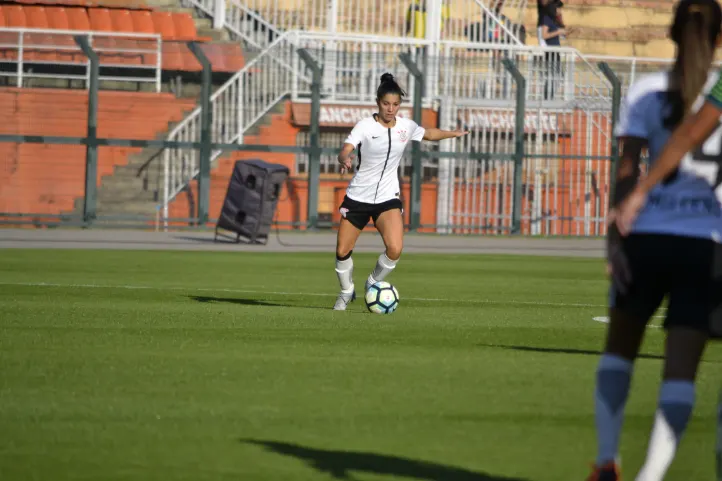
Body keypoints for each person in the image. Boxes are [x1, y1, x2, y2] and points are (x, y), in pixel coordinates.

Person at [588, 1, 722, 480]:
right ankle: (651, 475)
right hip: (707, 243)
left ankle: (606, 459)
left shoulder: (647, 91)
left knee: (619, 350)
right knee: (681, 369)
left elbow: (627, 170)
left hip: (646, 237)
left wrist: (613, 242)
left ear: (671, 32)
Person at [333, 73, 468, 310]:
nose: (390, 109)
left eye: (395, 104)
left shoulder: (406, 126)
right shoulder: (365, 126)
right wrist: (344, 159)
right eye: (386, 104)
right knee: (342, 251)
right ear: (378, 102)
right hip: (358, 197)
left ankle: (373, 283)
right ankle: (346, 292)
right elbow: (345, 150)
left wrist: (452, 134)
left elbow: (429, 134)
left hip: (387, 197)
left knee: (395, 249)